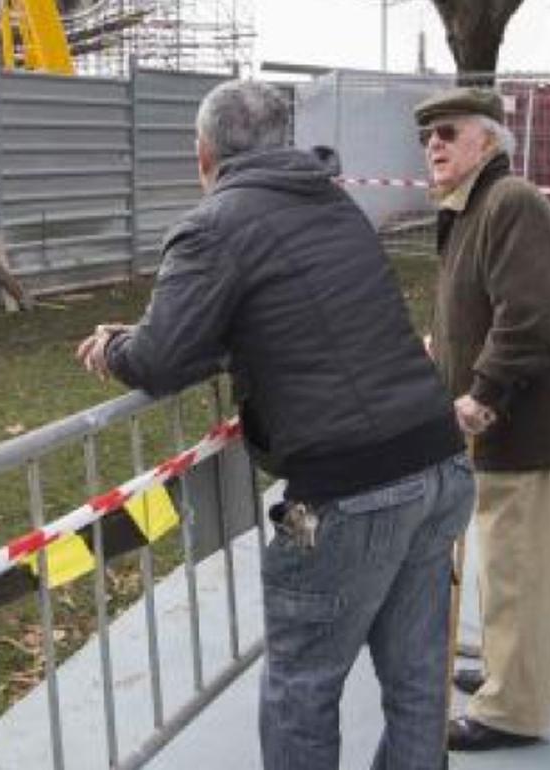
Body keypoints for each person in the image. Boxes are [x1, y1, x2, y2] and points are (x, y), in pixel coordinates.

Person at [76, 79, 475, 770]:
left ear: (205, 153)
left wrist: (115, 346)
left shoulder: (214, 225)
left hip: (351, 491)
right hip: (438, 464)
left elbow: (164, 355)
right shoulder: (332, 201)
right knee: (416, 680)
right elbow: (287, 316)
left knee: (303, 687)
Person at [413, 87, 550, 752]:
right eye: (427, 136)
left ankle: (513, 707)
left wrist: (480, 395)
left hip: (518, 428)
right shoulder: (469, 210)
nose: (433, 145)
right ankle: (517, 670)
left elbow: (528, 321)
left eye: (448, 133)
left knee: (516, 569)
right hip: (494, 432)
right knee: (507, 567)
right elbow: (477, 308)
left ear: (487, 141)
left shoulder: (510, 204)